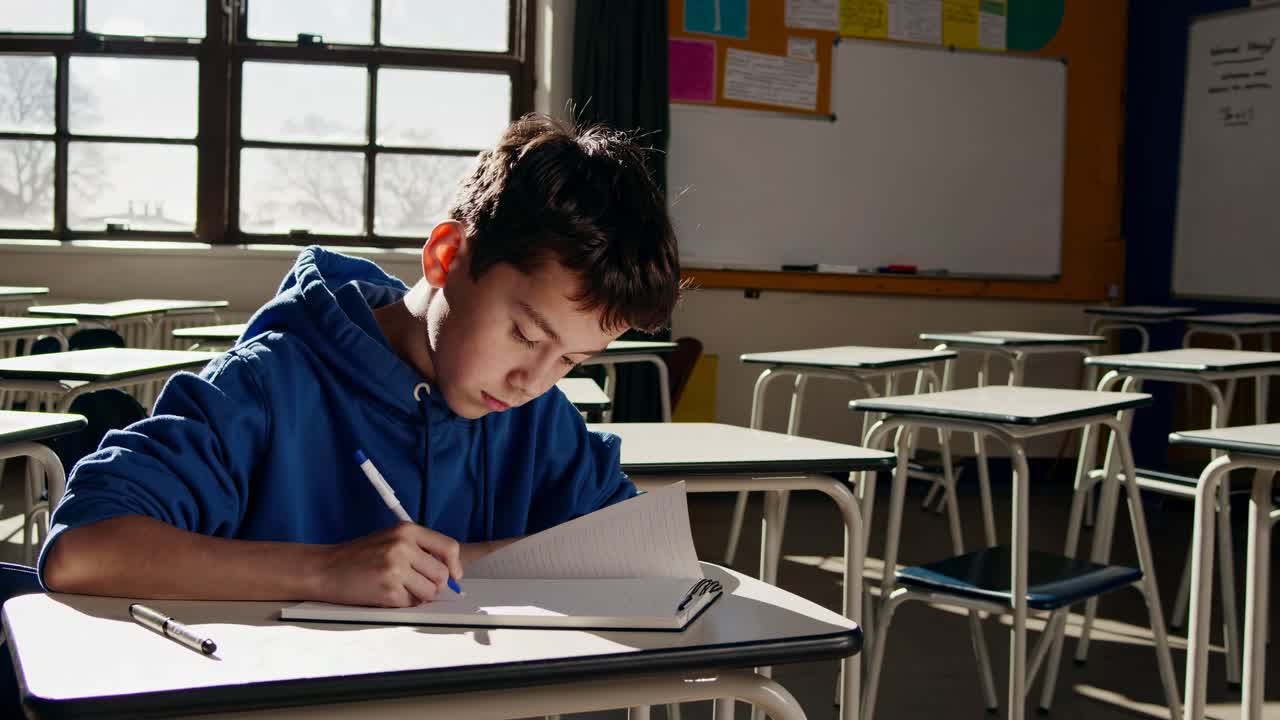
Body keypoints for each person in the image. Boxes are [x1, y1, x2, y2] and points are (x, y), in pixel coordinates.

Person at [37, 114, 682, 609]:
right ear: (445, 256)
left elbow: (633, 554)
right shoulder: (270, 385)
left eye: (569, 360)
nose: (531, 382)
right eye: (523, 333)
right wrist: (323, 570)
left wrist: (459, 562)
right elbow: (81, 551)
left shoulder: (536, 418)